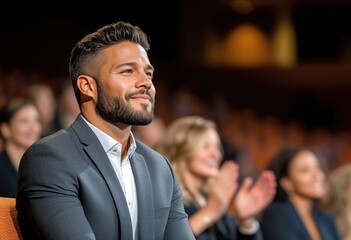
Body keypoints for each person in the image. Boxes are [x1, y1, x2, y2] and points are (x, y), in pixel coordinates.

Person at [16, 21, 195, 240]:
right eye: (128, 71)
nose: (146, 82)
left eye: (148, 73)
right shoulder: (49, 159)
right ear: (88, 86)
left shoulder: (159, 167)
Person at [155, 115, 276, 240]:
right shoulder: (165, 198)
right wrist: (210, 212)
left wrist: (246, 221)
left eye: (217, 147)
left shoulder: (212, 198)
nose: (216, 155)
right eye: (205, 146)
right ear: (181, 149)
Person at [259, 147, 341, 240]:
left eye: (318, 168)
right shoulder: (277, 215)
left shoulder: (327, 219)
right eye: (305, 170)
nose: (317, 175)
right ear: (287, 183)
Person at [0, 98, 41, 197]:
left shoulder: (43, 165)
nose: (33, 127)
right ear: (6, 129)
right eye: (24, 121)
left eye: (36, 120)